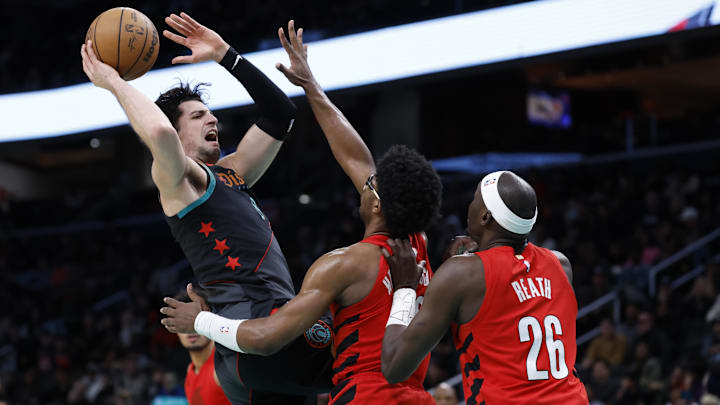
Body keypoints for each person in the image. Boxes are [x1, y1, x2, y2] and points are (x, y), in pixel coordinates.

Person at [160, 21, 442, 404]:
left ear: (377, 203)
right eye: (197, 116)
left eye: (371, 186)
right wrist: (310, 86)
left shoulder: (343, 265)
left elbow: (267, 338)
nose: (366, 182)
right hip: (401, 391)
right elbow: (355, 156)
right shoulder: (417, 244)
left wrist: (201, 323)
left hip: (328, 376)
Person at [80, 12, 332, 405]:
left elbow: (281, 115)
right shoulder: (181, 182)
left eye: (210, 113)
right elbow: (160, 132)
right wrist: (113, 82)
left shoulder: (230, 173)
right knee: (368, 345)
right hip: (260, 335)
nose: (212, 118)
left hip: (254, 349)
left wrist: (224, 54)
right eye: (197, 116)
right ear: (179, 135)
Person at [380, 171, 589, 404]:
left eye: (474, 199)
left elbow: (394, 367)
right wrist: (478, 256)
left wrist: (405, 288)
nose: (469, 205)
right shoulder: (561, 265)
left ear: (485, 217)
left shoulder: (462, 274)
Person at [174, 291, 231, 405]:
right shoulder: (190, 372)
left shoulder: (226, 367)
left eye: (197, 320)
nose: (191, 328)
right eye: (184, 322)